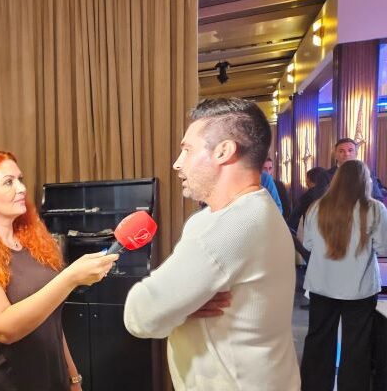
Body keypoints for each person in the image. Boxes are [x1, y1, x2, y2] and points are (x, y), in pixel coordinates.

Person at [123, 98, 300, 390]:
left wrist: (177, 308)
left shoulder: (229, 226)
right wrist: (180, 306)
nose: (177, 163)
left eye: (187, 150)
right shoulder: (257, 209)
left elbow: (139, 315)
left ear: (223, 151)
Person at [0, 151, 118, 391]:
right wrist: (69, 278)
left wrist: (73, 377)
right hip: (0, 382)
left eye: (20, 179)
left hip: (50, 379)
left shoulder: (34, 245)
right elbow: (4, 328)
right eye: (8, 182)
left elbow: (52, 321)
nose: (22, 188)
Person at [299, 160, 387, 390]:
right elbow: (383, 247)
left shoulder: (317, 207)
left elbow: (308, 244)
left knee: (319, 340)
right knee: (357, 345)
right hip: (359, 288)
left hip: (322, 285)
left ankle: (314, 386)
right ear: (365, 181)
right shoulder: (375, 209)